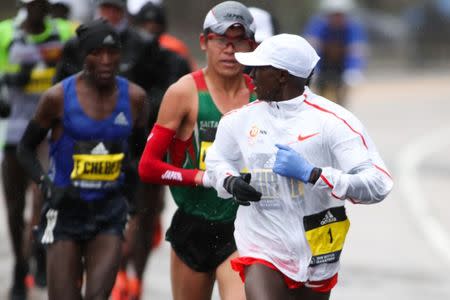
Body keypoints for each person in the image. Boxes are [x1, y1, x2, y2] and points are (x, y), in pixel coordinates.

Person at [204, 33, 393, 300]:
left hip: (318, 249)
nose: (250, 75)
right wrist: (229, 182)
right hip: (262, 244)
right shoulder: (239, 120)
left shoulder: (333, 122)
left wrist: (315, 174)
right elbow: (216, 160)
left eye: (259, 68)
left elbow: (379, 182)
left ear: (282, 75)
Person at [53, 1, 190, 299]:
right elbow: (54, 104)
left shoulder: (148, 48)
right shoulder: (74, 47)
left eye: (116, 8)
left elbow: (164, 94)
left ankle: (131, 278)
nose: (105, 60)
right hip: (76, 155)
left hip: (131, 151)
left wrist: (140, 109)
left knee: (140, 216)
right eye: (105, 7)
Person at [17, 19, 148, 300]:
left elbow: (140, 157)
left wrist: (133, 206)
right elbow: (25, 149)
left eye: (112, 53)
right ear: (81, 55)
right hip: (65, 211)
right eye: (96, 52)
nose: (105, 60)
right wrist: (46, 185)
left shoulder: (135, 98)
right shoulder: (57, 98)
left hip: (109, 213)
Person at [138, 1, 257, 299]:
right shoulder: (183, 93)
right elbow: (148, 167)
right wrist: (202, 178)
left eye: (239, 41)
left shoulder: (261, 95)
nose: (230, 50)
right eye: (221, 40)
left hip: (244, 227)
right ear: (204, 42)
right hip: (194, 225)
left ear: (252, 45)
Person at [0, 0, 75, 298]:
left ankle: (37, 256)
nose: (39, 11)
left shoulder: (65, 33)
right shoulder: (6, 33)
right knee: (14, 208)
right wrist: (5, 86)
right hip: (13, 133)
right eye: (34, 5)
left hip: (48, 134)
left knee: (42, 200)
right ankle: (20, 268)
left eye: (44, 5)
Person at [303, 0, 367, 107]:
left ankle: (342, 107)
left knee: (343, 92)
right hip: (322, 64)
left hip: (342, 65)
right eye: (333, 15)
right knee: (317, 94)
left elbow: (356, 52)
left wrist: (353, 70)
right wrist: (313, 69)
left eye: (341, 15)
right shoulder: (317, 26)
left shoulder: (353, 28)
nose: (337, 19)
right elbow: (310, 49)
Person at [131, 0, 198, 70]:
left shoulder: (175, 46)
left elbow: (191, 74)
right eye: (145, 25)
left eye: (155, 25)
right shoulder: (129, 45)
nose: (150, 28)